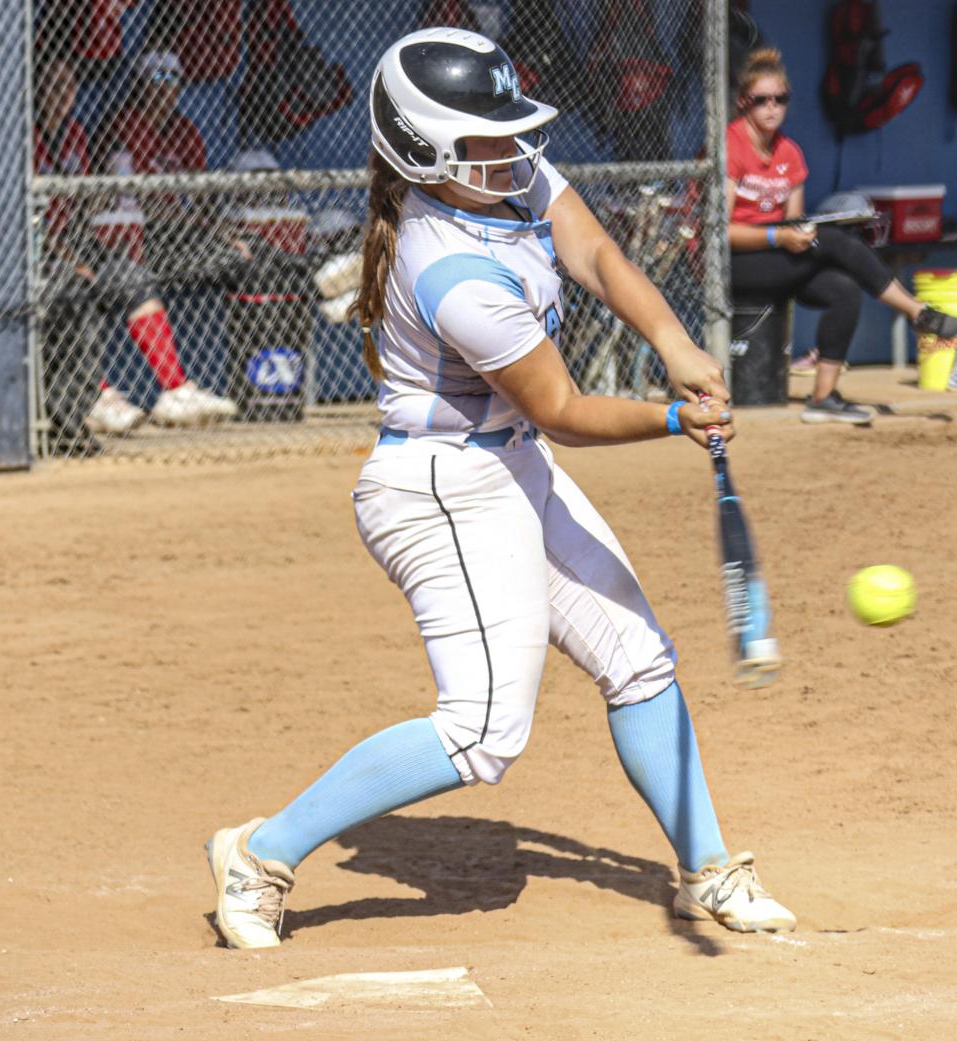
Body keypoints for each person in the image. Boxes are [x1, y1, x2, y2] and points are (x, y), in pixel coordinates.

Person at [205, 28, 796, 949]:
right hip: (441, 487)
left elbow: (596, 253)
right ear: (427, 150)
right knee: (481, 728)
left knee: (637, 657)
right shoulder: (449, 271)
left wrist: (675, 345)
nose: (514, 147)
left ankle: (706, 869)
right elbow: (558, 407)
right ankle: (259, 850)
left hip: (508, 461)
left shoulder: (502, 171)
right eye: (484, 134)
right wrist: (673, 419)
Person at [726, 48, 957, 425]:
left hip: (776, 258)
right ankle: (917, 312)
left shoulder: (790, 152)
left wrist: (796, 236)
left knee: (844, 288)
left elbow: (793, 221)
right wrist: (781, 239)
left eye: (780, 99)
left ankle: (822, 397)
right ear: (743, 103)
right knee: (834, 241)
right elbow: (721, 233)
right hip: (734, 263)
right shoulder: (731, 146)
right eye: (761, 101)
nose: (772, 108)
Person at [33, 49, 229, 436]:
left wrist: (97, 215)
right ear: (38, 89)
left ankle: (175, 389)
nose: (62, 94)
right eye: (53, 86)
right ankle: (96, 395)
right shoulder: (27, 135)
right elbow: (33, 222)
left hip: (73, 242)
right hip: (36, 251)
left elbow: (80, 206)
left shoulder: (74, 132)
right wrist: (74, 259)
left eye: (68, 86)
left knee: (131, 278)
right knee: (77, 288)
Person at [93, 49, 241, 426]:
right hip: (148, 235)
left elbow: (202, 199)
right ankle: (175, 390)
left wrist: (219, 231)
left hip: (184, 232)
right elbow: (134, 201)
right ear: (141, 86)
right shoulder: (126, 123)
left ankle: (254, 388)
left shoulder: (185, 129)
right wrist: (187, 217)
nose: (166, 88)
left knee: (240, 258)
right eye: (156, 79)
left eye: (172, 79)